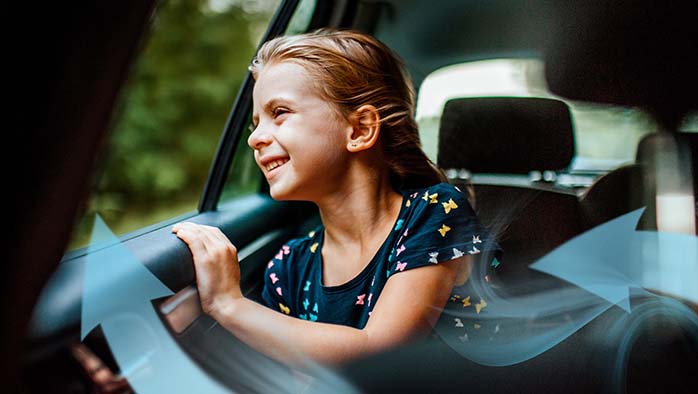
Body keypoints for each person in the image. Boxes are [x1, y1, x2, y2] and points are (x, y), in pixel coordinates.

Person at [171, 29, 500, 367]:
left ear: (359, 130)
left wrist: (229, 304)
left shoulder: (433, 212)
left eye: (279, 112)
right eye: (256, 123)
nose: (254, 138)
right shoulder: (289, 266)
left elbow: (380, 353)